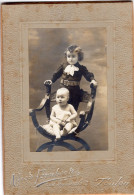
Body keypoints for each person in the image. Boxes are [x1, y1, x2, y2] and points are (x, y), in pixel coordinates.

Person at [44, 45, 97, 111]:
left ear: (79, 57)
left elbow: (88, 75)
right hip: (63, 89)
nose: (70, 59)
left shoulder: (81, 68)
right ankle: (60, 119)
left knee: (73, 108)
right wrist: (51, 80)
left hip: (75, 91)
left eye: (73, 56)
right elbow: (56, 74)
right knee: (61, 107)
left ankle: (71, 120)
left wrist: (92, 80)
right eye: (68, 56)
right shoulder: (63, 66)